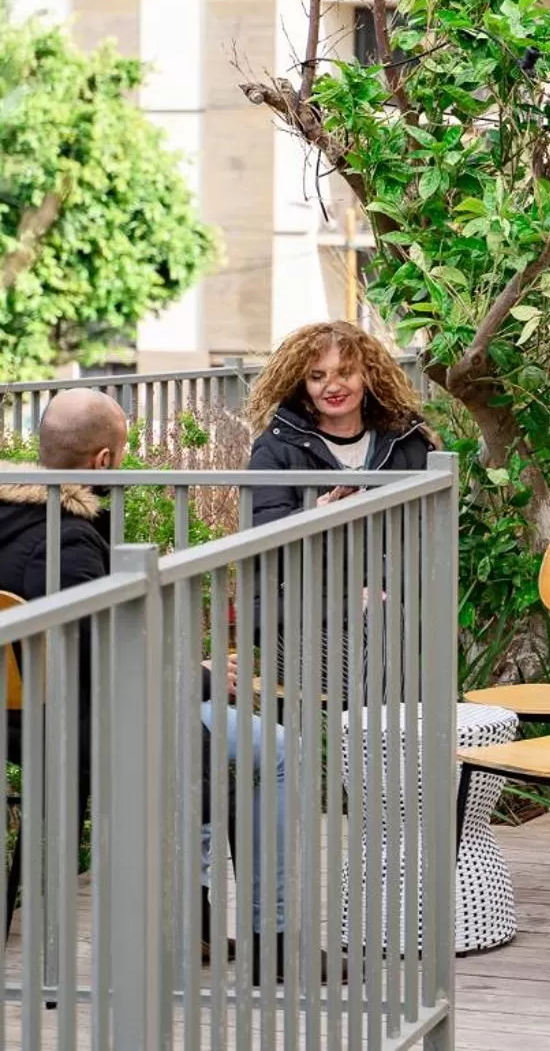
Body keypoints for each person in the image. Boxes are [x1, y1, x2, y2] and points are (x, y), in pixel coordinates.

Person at [0, 391, 293, 976]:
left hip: (18, 721)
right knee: (278, 750)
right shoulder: (68, 542)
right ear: (106, 462)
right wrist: (198, 674)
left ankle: (197, 919)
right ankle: (270, 934)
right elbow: (102, 658)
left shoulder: (13, 518)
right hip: (77, 724)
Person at [245, 321, 435, 525]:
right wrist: (316, 514)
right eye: (317, 377)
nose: (333, 387)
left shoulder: (407, 440)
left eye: (345, 373)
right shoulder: (274, 448)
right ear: (302, 385)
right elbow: (262, 531)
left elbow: (432, 522)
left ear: (368, 376)